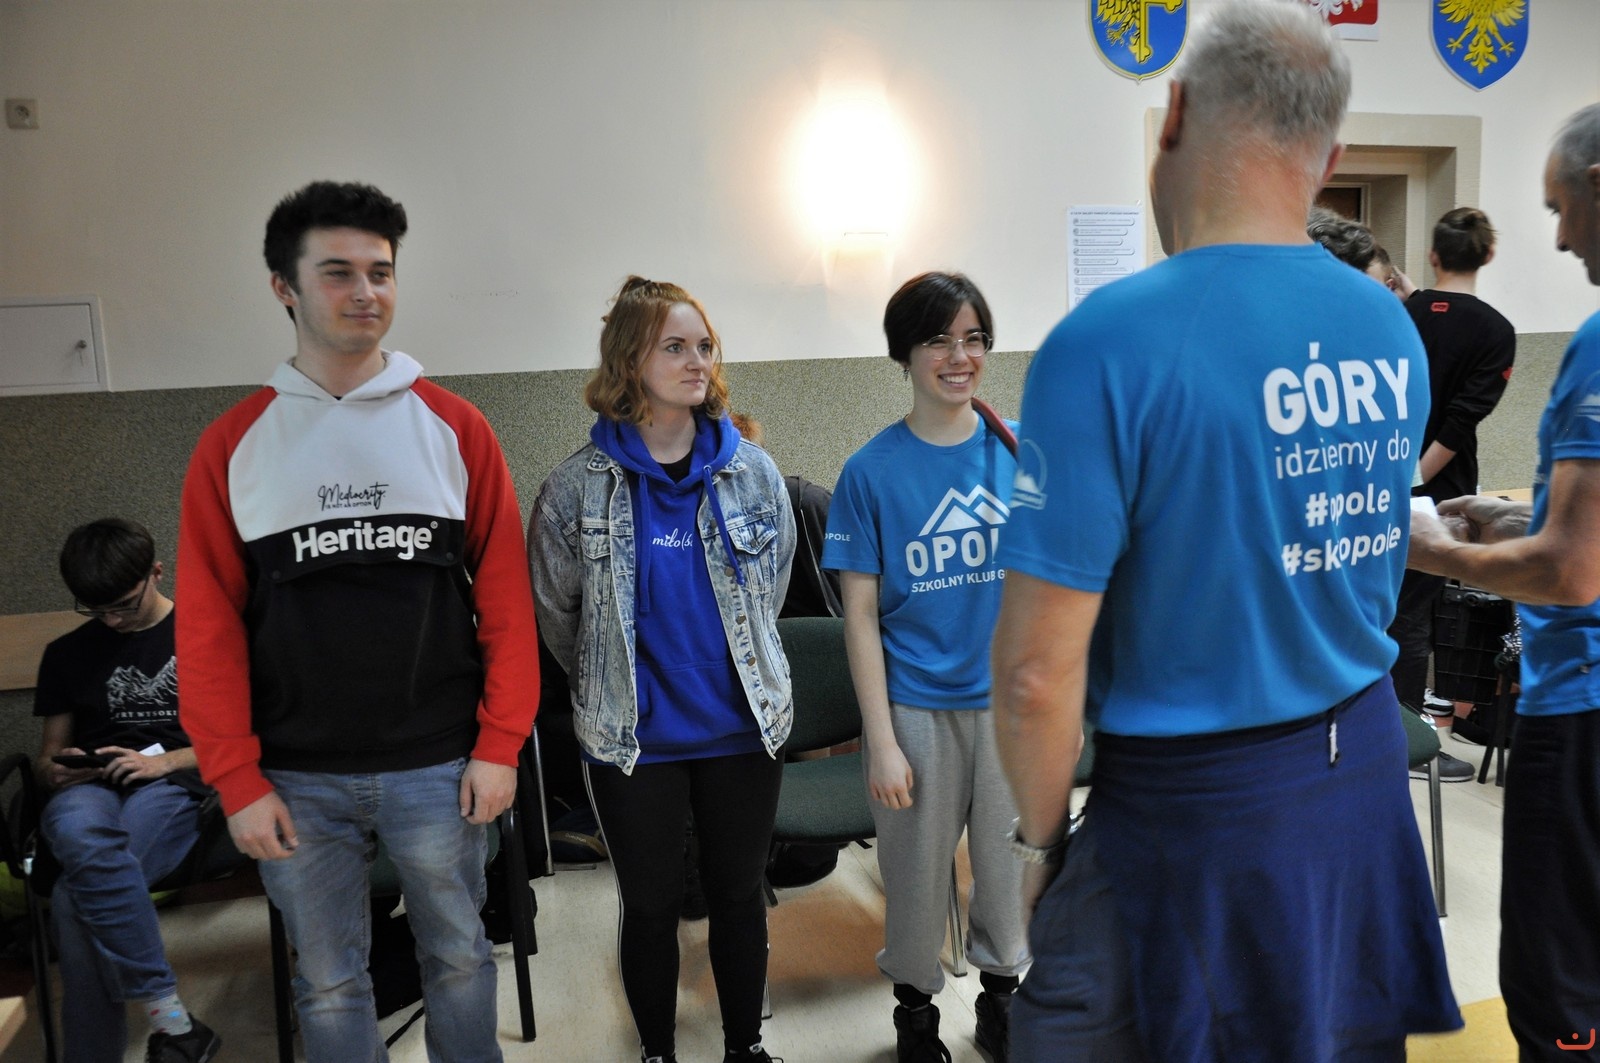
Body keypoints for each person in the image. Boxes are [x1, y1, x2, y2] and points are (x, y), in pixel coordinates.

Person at [990, 5, 1460, 1060]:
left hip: (1192, 802)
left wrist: (1039, 844)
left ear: (1175, 113)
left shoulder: (1106, 340)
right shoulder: (1388, 329)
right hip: (1361, 766)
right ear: (1328, 157)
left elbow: (1032, 672)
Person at [177, 180, 539, 1063]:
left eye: (381, 271)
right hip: (294, 774)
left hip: (440, 764)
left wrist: (501, 743)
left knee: (461, 955)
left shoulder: (455, 428)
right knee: (331, 981)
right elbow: (208, 634)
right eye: (337, 272)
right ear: (284, 287)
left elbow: (505, 603)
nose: (366, 291)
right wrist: (235, 778)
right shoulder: (233, 446)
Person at [529, 276, 795, 1063]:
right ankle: (657, 1053)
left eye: (704, 345)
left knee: (738, 894)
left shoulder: (754, 473)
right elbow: (559, 616)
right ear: (629, 361)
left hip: (741, 729)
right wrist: (613, 681)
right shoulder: (575, 488)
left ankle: (745, 1048)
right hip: (633, 740)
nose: (696, 360)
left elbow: (770, 591)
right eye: (674, 346)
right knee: (648, 905)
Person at [1408, 101, 1600, 1062]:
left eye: (1562, 209)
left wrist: (1430, 546)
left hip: (1582, 706)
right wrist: (1514, 519)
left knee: (1554, 984)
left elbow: (1570, 569)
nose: (1559, 237)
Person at [822, 271, 1027, 1063]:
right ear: (904, 353)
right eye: (939, 339)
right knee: (912, 879)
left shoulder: (1019, 451)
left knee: (1008, 872)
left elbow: (1056, 585)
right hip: (915, 708)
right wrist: (879, 739)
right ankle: (915, 1013)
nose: (959, 356)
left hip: (1009, 707)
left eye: (974, 338)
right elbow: (860, 617)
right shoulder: (871, 471)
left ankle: (1002, 1003)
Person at [33, 518, 220, 1063]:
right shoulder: (66, 653)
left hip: (174, 781)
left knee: (74, 897)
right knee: (74, 826)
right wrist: (56, 770)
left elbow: (246, 739)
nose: (112, 620)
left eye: (122, 605)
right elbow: (48, 753)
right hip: (92, 784)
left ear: (156, 572)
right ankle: (174, 1022)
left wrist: (162, 763)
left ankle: (164, 1022)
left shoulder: (207, 635)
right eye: (97, 611)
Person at [1388, 208, 1517, 772]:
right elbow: (1460, 420)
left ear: (1433, 255)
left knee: (1389, 609)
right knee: (1411, 615)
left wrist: (1398, 476)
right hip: (1439, 489)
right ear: (1487, 255)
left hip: (1380, 477)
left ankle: (1385, 734)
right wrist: (1418, 480)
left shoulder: (1403, 313)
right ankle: (1405, 743)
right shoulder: (1494, 330)